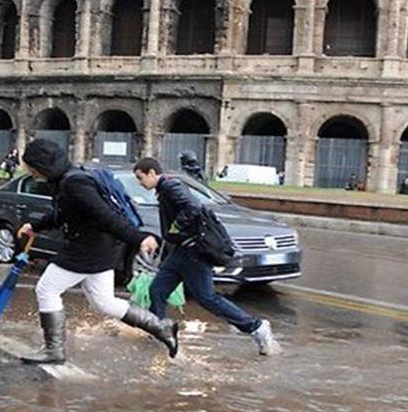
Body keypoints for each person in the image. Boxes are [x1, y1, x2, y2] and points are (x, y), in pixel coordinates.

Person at [16, 139, 179, 364]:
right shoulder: (69, 178)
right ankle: (161, 327)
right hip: (102, 249)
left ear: (43, 165)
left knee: (46, 289)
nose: (30, 172)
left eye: (32, 168)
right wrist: (36, 226)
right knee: (104, 302)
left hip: (87, 250)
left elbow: (105, 216)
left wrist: (139, 237)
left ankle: (54, 350)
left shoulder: (73, 184)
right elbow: (64, 214)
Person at [133, 157, 282, 356]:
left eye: (140, 178)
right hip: (180, 252)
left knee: (206, 298)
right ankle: (158, 330)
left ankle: (256, 327)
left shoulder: (170, 187)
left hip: (192, 252)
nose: (140, 183)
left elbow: (193, 207)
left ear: (152, 173)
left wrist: (176, 228)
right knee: (157, 290)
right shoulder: (165, 188)